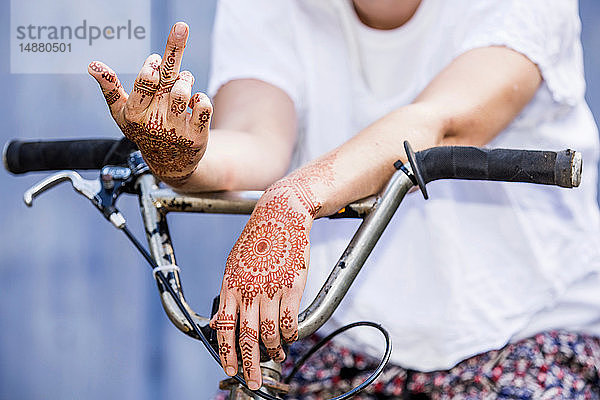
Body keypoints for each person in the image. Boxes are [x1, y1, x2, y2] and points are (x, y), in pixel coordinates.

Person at [88, 0, 600, 397]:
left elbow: (442, 121)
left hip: (528, 328)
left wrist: (294, 198)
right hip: (351, 336)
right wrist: (180, 156)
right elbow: (256, 140)